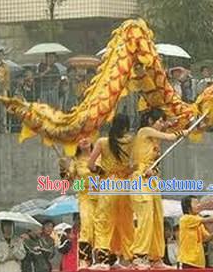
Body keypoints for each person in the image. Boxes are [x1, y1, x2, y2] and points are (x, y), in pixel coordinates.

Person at [130, 108, 189, 269]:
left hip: (152, 179)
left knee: (157, 217)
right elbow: (169, 136)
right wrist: (181, 132)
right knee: (146, 217)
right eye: (160, 121)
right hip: (140, 179)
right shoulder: (145, 131)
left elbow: (169, 128)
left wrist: (178, 122)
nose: (162, 124)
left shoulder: (155, 139)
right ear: (150, 121)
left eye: (163, 121)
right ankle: (139, 256)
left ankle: (155, 257)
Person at [88, 113, 135, 269]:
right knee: (124, 223)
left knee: (103, 221)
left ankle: (102, 261)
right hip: (125, 187)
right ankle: (124, 258)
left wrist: (102, 173)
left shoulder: (102, 142)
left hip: (109, 185)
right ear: (126, 127)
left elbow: (90, 165)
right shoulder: (130, 142)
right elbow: (133, 166)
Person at [59, 138, 99, 268]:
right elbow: (68, 180)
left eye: (87, 136)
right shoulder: (75, 162)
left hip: (101, 197)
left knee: (101, 227)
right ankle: (84, 259)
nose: (84, 140)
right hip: (85, 197)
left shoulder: (100, 156)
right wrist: (63, 168)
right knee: (86, 224)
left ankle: (103, 259)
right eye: (80, 138)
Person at [177, 196, 213, 269]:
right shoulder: (186, 219)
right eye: (195, 203)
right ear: (188, 207)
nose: (199, 205)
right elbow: (208, 219)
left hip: (199, 262)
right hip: (188, 261)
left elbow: (206, 238)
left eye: (198, 203)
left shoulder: (198, 222)